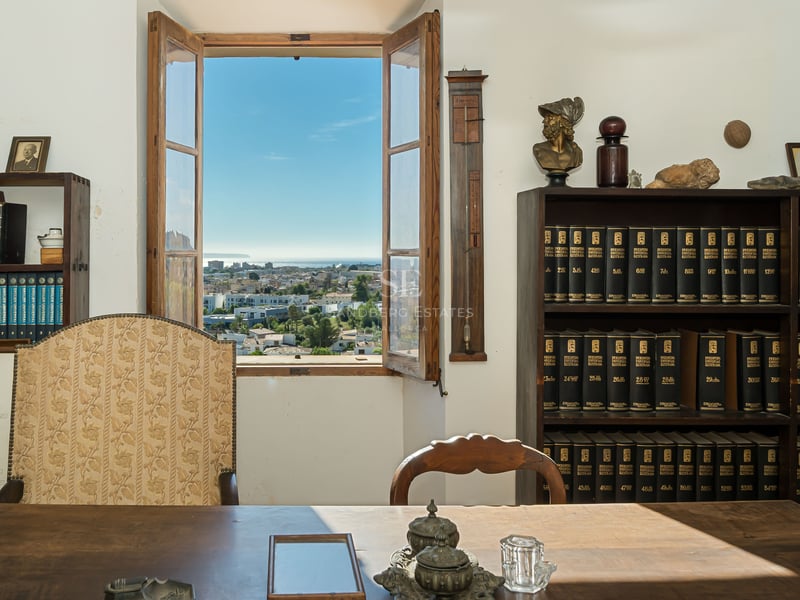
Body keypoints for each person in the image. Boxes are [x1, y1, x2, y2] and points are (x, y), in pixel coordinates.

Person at [532, 97, 584, 175]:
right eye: (546, 118)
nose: (545, 121)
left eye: (550, 118)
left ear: (562, 123)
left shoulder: (576, 153)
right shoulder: (538, 150)